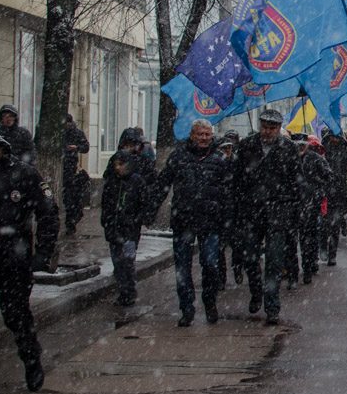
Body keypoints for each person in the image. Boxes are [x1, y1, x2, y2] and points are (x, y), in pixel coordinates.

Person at [0, 131, 58, 391]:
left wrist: (43, 251)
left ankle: (32, 359)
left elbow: (48, 211)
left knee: (16, 314)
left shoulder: (23, 174)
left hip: (13, 258)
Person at [152, 119, 231, 326]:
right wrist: (150, 210)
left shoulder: (220, 159)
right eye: (200, 134)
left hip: (210, 221)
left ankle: (210, 301)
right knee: (182, 268)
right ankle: (186, 308)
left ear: (212, 136)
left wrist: (228, 219)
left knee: (211, 264)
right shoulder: (178, 157)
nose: (204, 138)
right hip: (183, 220)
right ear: (192, 135)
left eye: (207, 134)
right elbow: (163, 183)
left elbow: (229, 192)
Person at [233, 109, 301, 324]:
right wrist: (238, 206)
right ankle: (256, 291)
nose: (268, 131)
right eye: (265, 127)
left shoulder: (289, 148)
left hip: (278, 212)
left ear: (279, 128)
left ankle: (272, 305)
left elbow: (296, 182)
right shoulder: (246, 146)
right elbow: (236, 179)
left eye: (272, 128)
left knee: (274, 260)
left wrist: (292, 211)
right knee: (250, 258)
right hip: (251, 212)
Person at [100, 150, 146, 307]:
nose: (118, 168)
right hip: (114, 229)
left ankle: (129, 292)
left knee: (127, 262)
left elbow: (143, 204)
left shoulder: (136, 181)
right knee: (117, 263)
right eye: (116, 165)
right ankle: (123, 291)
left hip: (129, 231)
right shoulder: (111, 182)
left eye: (121, 164)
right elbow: (106, 204)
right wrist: (106, 221)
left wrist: (135, 220)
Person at [290, 134, 332, 287]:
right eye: (297, 144)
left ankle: (308, 266)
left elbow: (329, 176)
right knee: (291, 240)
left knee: (309, 237)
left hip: (311, 204)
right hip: (292, 204)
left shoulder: (315, 158)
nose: (300, 147)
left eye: (303, 144)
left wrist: (316, 185)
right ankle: (293, 272)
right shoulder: (288, 158)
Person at [321, 130, 347, 266]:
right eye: (332, 137)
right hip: (324, 194)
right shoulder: (323, 152)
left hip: (340, 194)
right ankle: (323, 247)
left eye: (336, 137)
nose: (334, 139)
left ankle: (332, 254)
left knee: (335, 226)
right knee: (323, 225)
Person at [217, 130, 242, 286]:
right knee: (219, 247)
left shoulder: (238, 162)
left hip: (235, 210)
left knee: (237, 246)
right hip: (219, 211)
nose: (227, 150)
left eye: (229, 147)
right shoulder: (216, 163)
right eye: (224, 148)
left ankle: (237, 269)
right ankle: (221, 276)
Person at [62, 113, 90, 234]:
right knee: (68, 198)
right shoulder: (59, 133)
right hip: (62, 169)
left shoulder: (76, 133)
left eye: (67, 123)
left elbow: (86, 147)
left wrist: (76, 147)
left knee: (72, 197)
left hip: (72, 170)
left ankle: (72, 220)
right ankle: (71, 220)